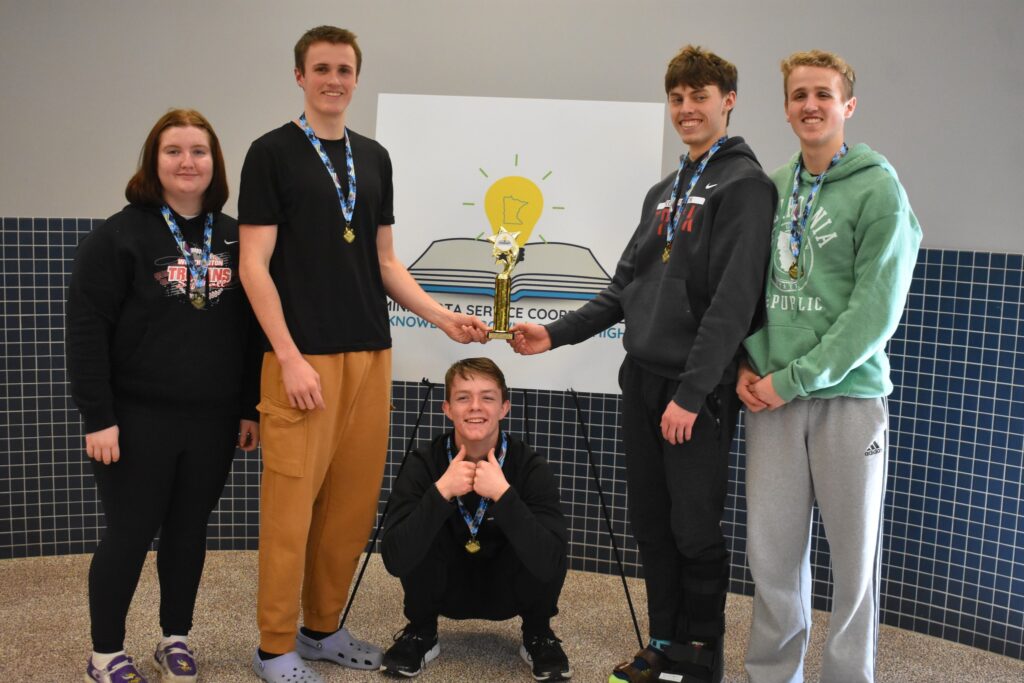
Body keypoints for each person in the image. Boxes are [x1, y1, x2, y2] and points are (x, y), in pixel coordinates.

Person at [511, 45, 775, 683]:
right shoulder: (665, 190)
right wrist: (555, 335)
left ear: (728, 101)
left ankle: (700, 658)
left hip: (697, 391)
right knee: (651, 524)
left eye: (700, 97)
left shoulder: (745, 185)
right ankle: (663, 646)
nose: (687, 109)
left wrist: (691, 393)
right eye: (678, 98)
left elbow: (732, 306)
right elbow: (622, 286)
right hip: (643, 382)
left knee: (693, 527)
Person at [237, 25, 488, 683]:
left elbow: (383, 260)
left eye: (345, 69)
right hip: (301, 359)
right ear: (300, 76)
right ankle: (273, 646)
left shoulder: (373, 158)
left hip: (370, 356)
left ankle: (322, 627)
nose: (334, 80)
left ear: (356, 77)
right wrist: (286, 354)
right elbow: (253, 265)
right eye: (321, 68)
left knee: (349, 507)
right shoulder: (270, 154)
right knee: (291, 511)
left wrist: (440, 317)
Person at [737, 50, 921, 683]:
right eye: (798, 95)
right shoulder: (776, 184)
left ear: (849, 104)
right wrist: (747, 364)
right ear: (786, 107)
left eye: (823, 93)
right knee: (772, 560)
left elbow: (874, 315)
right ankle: (771, 675)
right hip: (773, 405)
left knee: (853, 566)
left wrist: (790, 379)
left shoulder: (879, 188)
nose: (810, 105)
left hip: (847, 402)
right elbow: (751, 291)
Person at [67, 109, 261, 683]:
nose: (187, 162)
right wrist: (98, 416)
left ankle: (175, 636)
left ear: (214, 163)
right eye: (173, 150)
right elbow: (86, 331)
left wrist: (249, 406)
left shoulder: (233, 236)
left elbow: (251, 332)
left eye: (198, 151)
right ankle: (104, 653)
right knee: (129, 533)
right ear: (154, 161)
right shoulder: (119, 236)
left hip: (213, 419)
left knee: (188, 533)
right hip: (135, 417)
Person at [380, 358, 570, 680]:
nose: (475, 407)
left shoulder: (530, 466)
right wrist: (440, 493)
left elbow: (552, 561)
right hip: (444, 586)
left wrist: (504, 497)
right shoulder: (422, 463)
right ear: (447, 408)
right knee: (420, 521)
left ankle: (538, 633)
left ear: (504, 408)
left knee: (540, 533)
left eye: (487, 397)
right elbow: (395, 560)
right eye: (463, 397)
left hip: (507, 587)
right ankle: (421, 632)